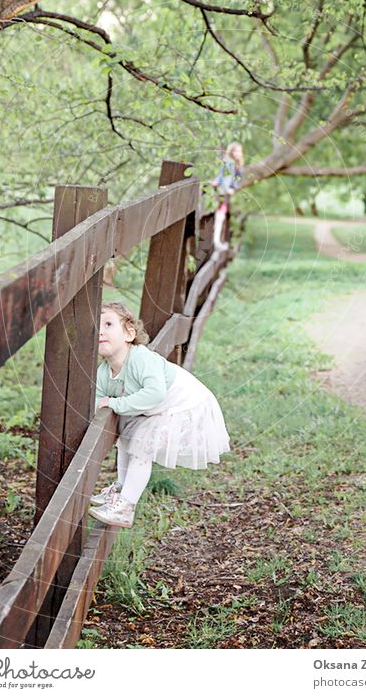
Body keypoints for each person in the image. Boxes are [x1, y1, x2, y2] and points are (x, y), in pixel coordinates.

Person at [89, 302, 230, 528]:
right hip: (158, 409)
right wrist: (104, 404)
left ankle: (126, 506)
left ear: (128, 334)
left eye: (108, 324)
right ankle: (120, 488)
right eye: (96, 326)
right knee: (127, 439)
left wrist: (115, 403)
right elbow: (95, 401)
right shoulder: (104, 371)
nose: (100, 331)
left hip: (186, 405)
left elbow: (154, 394)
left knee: (142, 444)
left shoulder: (140, 358)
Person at [211, 141, 244, 252]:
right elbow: (225, 178)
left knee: (221, 216)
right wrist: (228, 189)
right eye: (238, 151)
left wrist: (232, 188)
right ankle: (216, 242)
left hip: (223, 192)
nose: (240, 153)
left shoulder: (233, 164)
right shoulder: (230, 163)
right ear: (232, 152)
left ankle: (217, 241)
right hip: (222, 192)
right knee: (220, 216)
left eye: (241, 151)